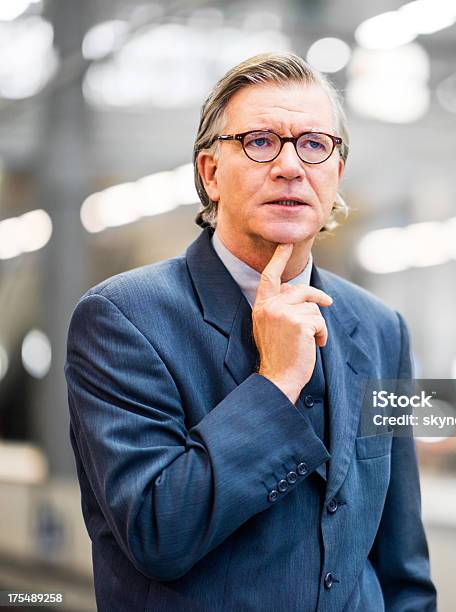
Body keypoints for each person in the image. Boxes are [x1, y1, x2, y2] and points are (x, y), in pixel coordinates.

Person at [65, 52, 437, 611]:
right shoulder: (122, 319)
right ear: (210, 173)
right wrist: (276, 384)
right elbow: (157, 534)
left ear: (335, 173)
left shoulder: (382, 330)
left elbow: (400, 560)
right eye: (261, 142)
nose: (290, 166)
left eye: (314, 144)